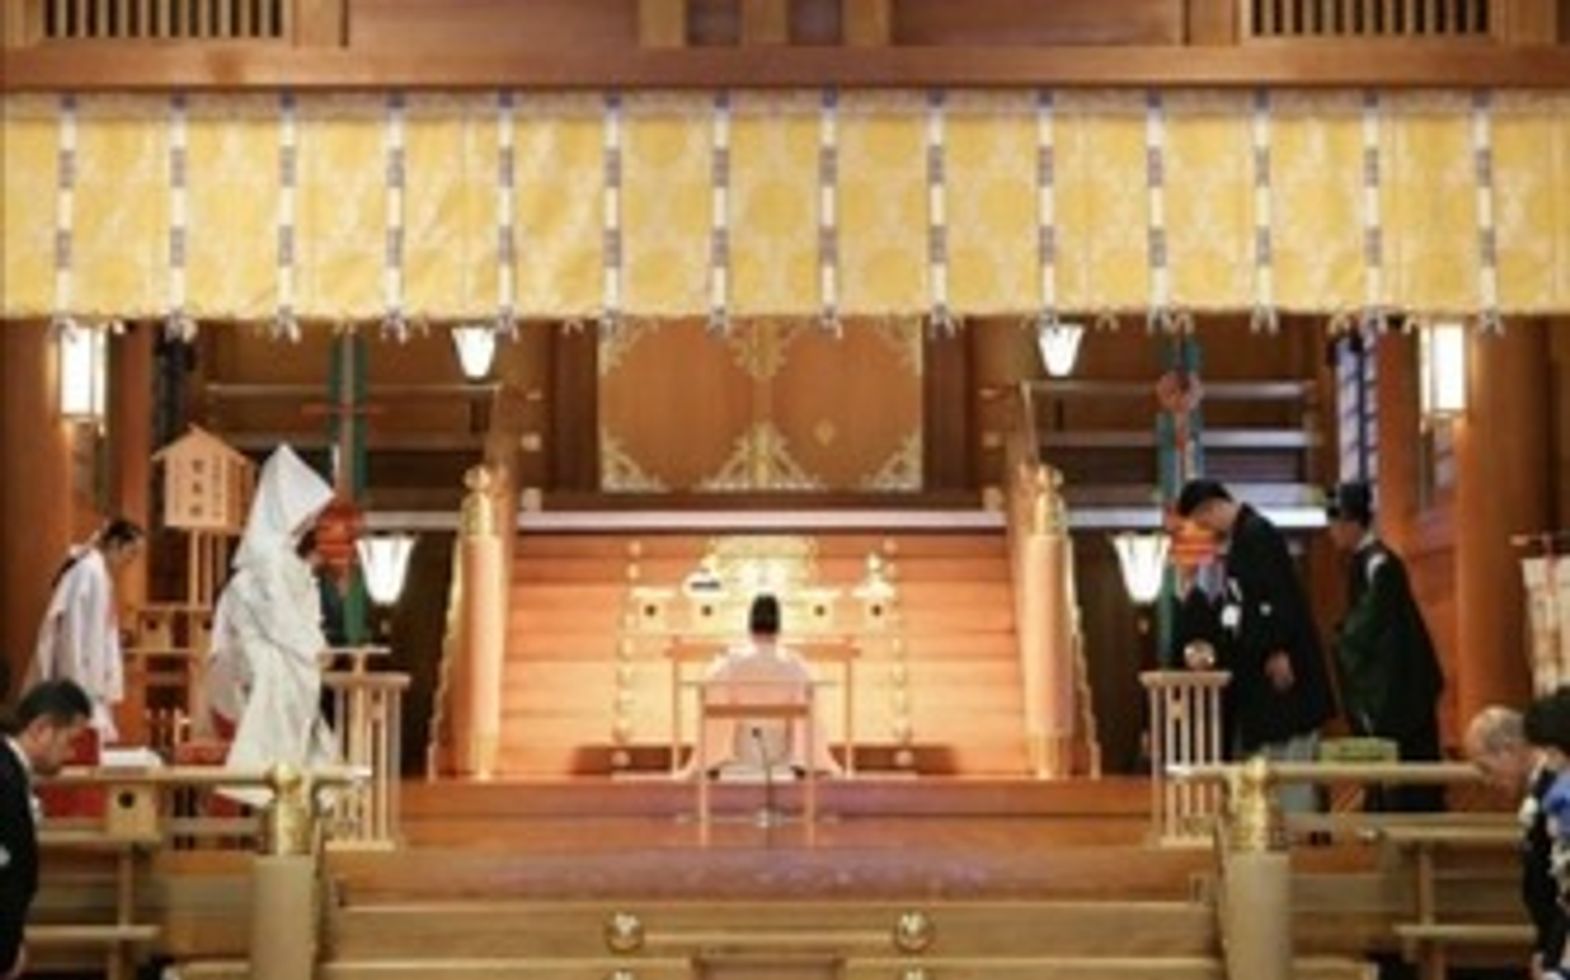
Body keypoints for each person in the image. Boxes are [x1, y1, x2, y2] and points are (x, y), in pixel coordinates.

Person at [1176, 479, 1334, 812]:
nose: (1207, 531)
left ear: (1211, 508)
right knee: (1274, 773)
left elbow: (1277, 597)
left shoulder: (1257, 534)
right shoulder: (1243, 540)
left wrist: (1278, 649)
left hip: (1283, 677)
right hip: (1262, 675)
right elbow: (1240, 610)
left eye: (1203, 522)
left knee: (1288, 776)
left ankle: (1293, 831)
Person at [213, 446, 338, 804]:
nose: (311, 521)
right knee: (278, 742)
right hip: (270, 663)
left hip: (287, 659)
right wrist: (313, 648)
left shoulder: (279, 556)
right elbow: (279, 618)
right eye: (307, 511)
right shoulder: (267, 559)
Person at [1325, 482, 1446, 812]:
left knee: (1407, 760)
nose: (1332, 533)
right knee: (1388, 760)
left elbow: (1371, 623)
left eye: (1335, 524)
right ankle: (1383, 807)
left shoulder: (1380, 563)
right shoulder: (1364, 561)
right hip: (1388, 675)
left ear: (1352, 523)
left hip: (1400, 681)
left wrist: (1344, 639)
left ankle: (1406, 820)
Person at [1, 679, 94, 980]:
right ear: (41, 728)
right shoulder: (4, 778)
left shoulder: (11, 772)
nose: (71, 754)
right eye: (70, 740)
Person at [1466, 703, 1566, 980]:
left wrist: (1554, 954)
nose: (1487, 781)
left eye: (1486, 768)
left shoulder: (1557, 792)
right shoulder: (1542, 789)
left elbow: (1561, 885)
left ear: (1508, 750)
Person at [696, 594, 840, 778]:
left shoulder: (732, 661)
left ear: (750, 623)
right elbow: (810, 693)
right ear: (778, 625)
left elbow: (710, 686)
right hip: (779, 742)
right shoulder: (792, 662)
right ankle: (797, 762)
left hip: (743, 744)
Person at [30, 518, 144, 743]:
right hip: (81, 680)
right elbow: (73, 633)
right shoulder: (88, 572)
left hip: (91, 683)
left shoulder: (99, 573)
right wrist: (75, 686)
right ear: (115, 544)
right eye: (131, 552)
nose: (131, 561)